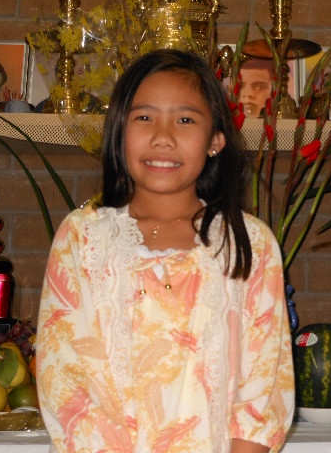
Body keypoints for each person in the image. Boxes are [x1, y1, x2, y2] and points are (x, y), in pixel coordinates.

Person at [36, 49, 294, 453]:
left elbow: (264, 388)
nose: (163, 137)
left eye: (185, 120)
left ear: (215, 140)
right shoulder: (83, 238)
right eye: (144, 117)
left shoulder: (249, 243)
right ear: (119, 133)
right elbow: (64, 378)